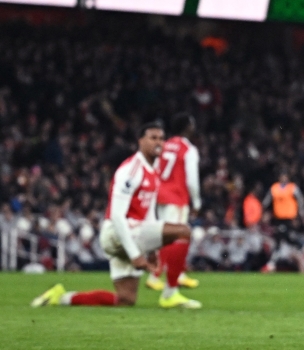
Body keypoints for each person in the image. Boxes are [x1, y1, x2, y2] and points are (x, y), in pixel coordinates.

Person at [32, 122, 201, 309]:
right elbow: (117, 216)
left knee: (125, 300)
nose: (159, 142)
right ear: (140, 141)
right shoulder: (131, 170)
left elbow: (148, 216)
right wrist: (136, 255)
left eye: (161, 138)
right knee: (183, 231)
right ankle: (170, 293)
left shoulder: (152, 171)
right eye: (153, 138)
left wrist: (152, 249)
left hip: (133, 233)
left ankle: (62, 298)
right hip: (118, 233)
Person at [147, 113, 201, 292]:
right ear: (187, 127)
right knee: (174, 237)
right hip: (177, 196)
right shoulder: (188, 149)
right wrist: (197, 201)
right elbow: (192, 179)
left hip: (161, 195)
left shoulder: (164, 145)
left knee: (171, 236)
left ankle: (179, 274)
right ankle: (155, 276)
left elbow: (153, 168)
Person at [261, 171, 304, 272]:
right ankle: (273, 263)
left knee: (283, 238)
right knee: (281, 238)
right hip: (278, 218)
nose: (283, 178)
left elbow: (300, 201)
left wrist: (302, 214)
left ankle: (272, 263)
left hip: (289, 218)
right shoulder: (274, 188)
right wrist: (263, 211)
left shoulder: (293, 188)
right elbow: (266, 201)